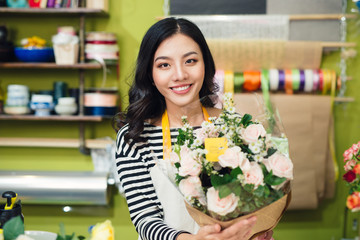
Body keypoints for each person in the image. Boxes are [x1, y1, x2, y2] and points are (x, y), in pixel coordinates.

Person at [113, 17, 274, 240]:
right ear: (150, 74)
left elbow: (259, 199)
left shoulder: (237, 128)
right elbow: (145, 219)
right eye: (164, 65)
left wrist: (258, 228)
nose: (180, 74)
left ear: (205, 64)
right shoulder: (135, 137)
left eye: (190, 61)